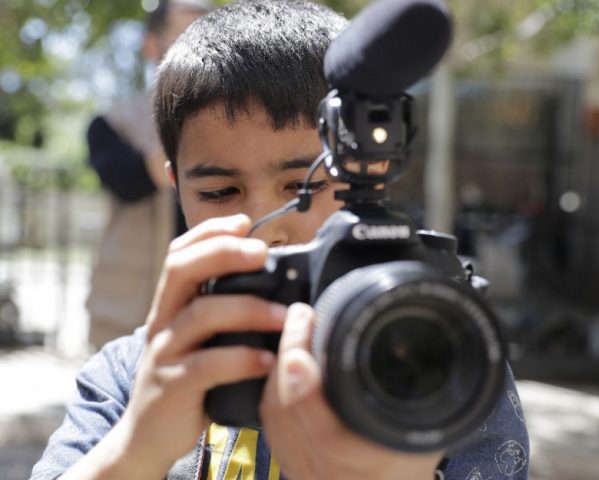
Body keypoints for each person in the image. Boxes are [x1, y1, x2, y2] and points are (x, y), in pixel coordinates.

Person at [31, 1, 530, 479]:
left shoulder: (446, 356)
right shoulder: (130, 375)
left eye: (304, 186)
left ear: (370, 175)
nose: (265, 225)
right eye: (220, 191)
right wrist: (140, 446)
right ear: (176, 186)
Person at [85, 0, 210, 349]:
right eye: (182, 36)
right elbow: (129, 182)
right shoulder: (111, 124)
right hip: (126, 315)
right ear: (151, 45)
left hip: (211, 307)